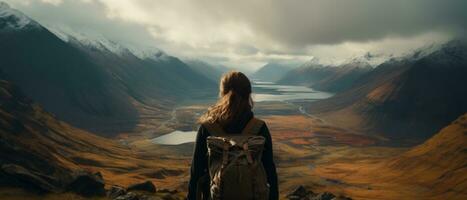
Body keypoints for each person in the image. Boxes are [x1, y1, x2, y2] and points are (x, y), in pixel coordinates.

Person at [187, 71, 278, 200]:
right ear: (248, 95)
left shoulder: (207, 128)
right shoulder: (259, 128)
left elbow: (196, 174)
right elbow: (270, 173)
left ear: (222, 93)